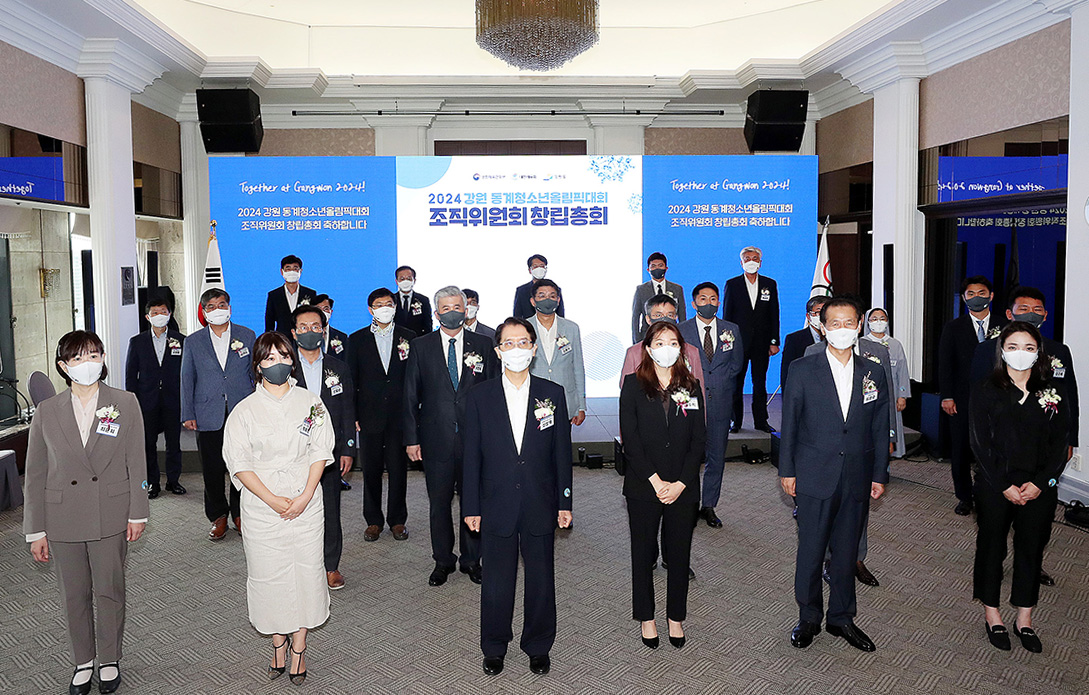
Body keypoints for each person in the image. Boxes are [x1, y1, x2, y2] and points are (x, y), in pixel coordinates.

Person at [24, 330, 149, 695]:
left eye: (94, 355)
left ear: (103, 358)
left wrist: (138, 512)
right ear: (63, 366)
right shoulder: (47, 411)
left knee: (109, 590)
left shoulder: (124, 402)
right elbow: (35, 473)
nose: (87, 363)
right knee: (74, 594)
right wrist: (35, 529)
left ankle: (109, 658)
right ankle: (83, 661)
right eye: (77, 358)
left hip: (110, 511)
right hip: (62, 516)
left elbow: (137, 462)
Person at [463, 317, 573, 677]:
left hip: (540, 499)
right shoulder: (480, 396)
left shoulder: (552, 393)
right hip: (495, 501)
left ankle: (538, 645)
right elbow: (471, 456)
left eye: (523, 342)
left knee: (541, 578)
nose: (516, 349)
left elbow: (561, 453)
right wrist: (471, 506)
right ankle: (494, 646)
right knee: (497, 581)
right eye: (508, 343)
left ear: (534, 348)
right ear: (498, 351)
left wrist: (565, 502)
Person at [223, 331, 334, 685]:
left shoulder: (311, 402)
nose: (278, 363)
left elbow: (320, 451)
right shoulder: (244, 411)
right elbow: (239, 462)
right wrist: (271, 499)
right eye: (269, 358)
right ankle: (277, 643)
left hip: (306, 500)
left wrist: (305, 495)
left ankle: (299, 645)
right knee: (268, 575)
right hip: (261, 504)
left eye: (284, 356)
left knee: (306, 573)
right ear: (258, 365)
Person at [780, 297, 889, 653]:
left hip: (857, 474)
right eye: (834, 323)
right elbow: (790, 424)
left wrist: (879, 473)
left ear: (859, 326)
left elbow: (879, 425)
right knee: (811, 551)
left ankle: (841, 618)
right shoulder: (802, 369)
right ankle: (809, 616)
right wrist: (787, 470)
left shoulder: (873, 371)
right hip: (814, 474)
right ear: (823, 327)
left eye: (849, 323)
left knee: (846, 553)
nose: (842, 329)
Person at [969, 322, 1069, 654]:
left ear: (1039, 353)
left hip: (1038, 487)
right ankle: (992, 613)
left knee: (1031, 549)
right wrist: (1003, 485)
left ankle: (1024, 618)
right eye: (1013, 347)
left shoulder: (1052, 391)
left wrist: (1042, 483)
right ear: (1002, 350)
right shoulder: (986, 389)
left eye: (1029, 348)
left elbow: (1061, 444)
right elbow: (979, 444)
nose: (1020, 354)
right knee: (991, 547)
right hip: (995, 485)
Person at [969, 286, 1078, 588]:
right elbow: (977, 399)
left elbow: (1070, 398)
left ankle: (1031, 566)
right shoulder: (987, 350)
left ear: (1046, 314)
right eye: (1024, 309)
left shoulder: (1058, 351)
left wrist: (1071, 439)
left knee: (1035, 530)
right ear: (1009, 313)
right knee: (994, 530)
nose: (1031, 314)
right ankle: (997, 563)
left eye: (1037, 309)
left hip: (1039, 451)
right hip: (1000, 452)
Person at [403, 286, 498, 586]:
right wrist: (411, 438)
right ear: (436, 313)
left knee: (474, 502)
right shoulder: (421, 346)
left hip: (476, 439)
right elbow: (410, 395)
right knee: (439, 504)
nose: (452, 312)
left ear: (466, 309)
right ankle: (443, 560)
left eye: (457, 306)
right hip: (436, 439)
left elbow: (494, 392)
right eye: (446, 308)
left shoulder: (484, 344)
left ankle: (472, 560)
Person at [620, 321, 705, 650]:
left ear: (681, 348)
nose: (666, 348)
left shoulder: (691, 385)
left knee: (679, 555)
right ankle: (646, 616)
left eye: (672, 342)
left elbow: (699, 440)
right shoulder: (633, 384)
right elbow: (631, 441)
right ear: (648, 348)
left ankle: (676, 617)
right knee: (642, 554)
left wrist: (681, 482)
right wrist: (656, 481)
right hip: (645, 485)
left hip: (683, 487)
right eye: (659, 342)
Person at [181, 289, 256, 540]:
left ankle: (240, 514)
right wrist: (188, 412)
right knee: (212, 468)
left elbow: (255, 374)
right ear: (204, 312)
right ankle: (218, 516)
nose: (218, 310)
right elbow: (187, 379)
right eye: (211, 306)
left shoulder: (247, 335)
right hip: (206, 412)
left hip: (241, 410)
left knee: (241, 464)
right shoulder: (193, 341)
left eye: (222, 304)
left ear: (230, 308)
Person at [292, 305, 356, 590]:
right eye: (303, 327)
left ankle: (331, 566)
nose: (310, 332)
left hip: (329, 452)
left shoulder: (338, 367)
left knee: (331, 510)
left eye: (315, 327)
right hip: (293, 453)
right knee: (297, 509)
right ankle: (302, 566)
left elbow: (347, 410)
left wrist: (349, 449)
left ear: (323, 331)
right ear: (294, 333)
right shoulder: (284, 367)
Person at [349, 288, 415, 543]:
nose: (384, 308)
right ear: (370, 309)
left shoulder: (409, 337)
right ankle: (373, 521)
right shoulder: (357, 339)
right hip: (369, 415)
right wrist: (354, 414)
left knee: (398, 470)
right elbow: (352, 379)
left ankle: (397, 520)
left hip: (400, 416)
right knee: (371, 470)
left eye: (389, 303)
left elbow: (414, 379)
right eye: (379, 304)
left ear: (395, 307)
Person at [679, 282, 744, 529]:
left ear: (719, 302)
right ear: (694, 303)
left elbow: (737, 363)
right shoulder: (681, 330)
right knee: (688, 456)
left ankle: (708, 505)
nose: (709, 303)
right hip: (689, 403)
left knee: (716, 456)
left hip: (721, 401)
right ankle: (687, 504)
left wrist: (721, 382)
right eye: (703, 299)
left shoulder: (731, 329)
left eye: (713, 299)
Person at [939, 276, 1005, 516]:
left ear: (991, 296)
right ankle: (965, 497)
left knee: (995, 448)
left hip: (998, 399)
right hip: (961, 399)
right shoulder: (953, 327)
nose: (977, 297)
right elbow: (945, 364)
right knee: (961, 450)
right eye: (971, 294)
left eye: (982, 293)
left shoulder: (1005, 325)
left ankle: (991, 493)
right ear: (964, 298)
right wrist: (947, 396)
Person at [125, 296, 186, 499]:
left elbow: (186, 373)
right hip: (146, 400)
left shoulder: (181, 340)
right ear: (147, 317)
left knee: (173, 442)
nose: (159, 315)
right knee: (148, 443)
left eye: (163, 312)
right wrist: (133, 402)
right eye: (155, 313)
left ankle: (173, 480)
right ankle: (152, 482)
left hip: (173, 399)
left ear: (169, 314)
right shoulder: (137, 342)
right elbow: (131, 376)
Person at [723, 246, 780, 433]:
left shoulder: (769, 284)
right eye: (747, 258)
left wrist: (774, 341)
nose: (751, 262)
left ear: (760, 262)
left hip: (762, 343)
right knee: (736, 383)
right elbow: (727, 316)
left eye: (755, 258)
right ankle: (736, 421)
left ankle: (761, 421)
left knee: (760, 383)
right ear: (741, 262)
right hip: (738, 342)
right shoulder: (732, 284)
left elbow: (774, 314)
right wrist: (728, 342)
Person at [620, 294, 705, 400]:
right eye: (658, 315)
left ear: (676, 318)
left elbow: (699, 392)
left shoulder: (691, 351)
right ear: (648, 319)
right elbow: (627, 392)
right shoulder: (634, 352)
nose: (664, 319)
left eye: (670, 315)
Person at [527, 279, 587, 427]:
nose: (547, 300)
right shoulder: (524, 328)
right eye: (542, 296)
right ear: (533, 301)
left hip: (565, 401)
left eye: (552, 296)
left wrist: (581, 406)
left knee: (563, 441)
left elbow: (578, 367)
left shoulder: (571, 328)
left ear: (558, 300)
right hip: (533, 399)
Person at [861, 308, 910, 457]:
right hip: (870, 392)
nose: (878, 322)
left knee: (891, 424)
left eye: (882, 318)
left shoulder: (895, 344)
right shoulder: (862, 344)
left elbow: (902, 370)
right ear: (868, 322)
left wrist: (902, 395)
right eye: (874, 319)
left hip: (892, 393)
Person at [631, 252, 686, 343]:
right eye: (653, 266)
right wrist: (636, 341)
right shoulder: (641, 290)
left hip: (672, 335)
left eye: (660, 265)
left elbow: (682, 315)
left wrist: (682, 337)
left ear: (666, 268)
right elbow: (635, 317)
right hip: (647, 336)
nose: (657, 268)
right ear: (648, 269)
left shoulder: (677, 289)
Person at [780, 296, 828, 391]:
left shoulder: (839, 338)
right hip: (806, 391)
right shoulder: (794, 339)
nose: (822, 316)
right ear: (808, 316)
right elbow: (788, 372)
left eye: (825, 312)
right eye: (818, 312)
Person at [265, 255, 317, 337]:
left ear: (300, 271)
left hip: (305, 338)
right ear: (282, 272)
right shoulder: (274, 295)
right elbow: (269, 322)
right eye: (288, 269)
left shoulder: (310, 294)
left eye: (295, 268)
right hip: (282, 339)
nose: (292, 272)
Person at [513, 254, 565, 319]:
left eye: (542, 266)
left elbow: (560, 314)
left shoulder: (555, 289)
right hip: (528, 324)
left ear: (545, 269)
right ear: (530, 270)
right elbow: (517, 315)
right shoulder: (521, 290)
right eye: (535, 266)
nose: (539, 269)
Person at [393, 265, 433, 336]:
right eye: (402, 279)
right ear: (396, 281)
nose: (405, 281)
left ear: (414, 281)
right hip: (396, 339)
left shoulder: (423, 300)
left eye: (409, 278)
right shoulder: (391, 300)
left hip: (417, 339)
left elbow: (428, 325)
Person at [313, 294, 349, 358]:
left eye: (326, 309)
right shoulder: (305, 335)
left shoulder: (342, 337)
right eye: (318, 309)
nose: (322, 312)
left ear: (331, 312)